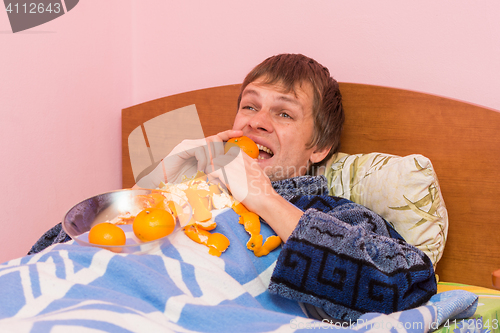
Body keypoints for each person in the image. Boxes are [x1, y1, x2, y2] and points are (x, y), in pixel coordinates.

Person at [30, 54, 436, 322]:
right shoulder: (179, 192)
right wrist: (152, 183)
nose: (256, 122)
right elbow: (43, 258)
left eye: (283, 112)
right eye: (250, 105)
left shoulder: (331, 212)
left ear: (319, 147)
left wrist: (266, 200)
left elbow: (413, 282)